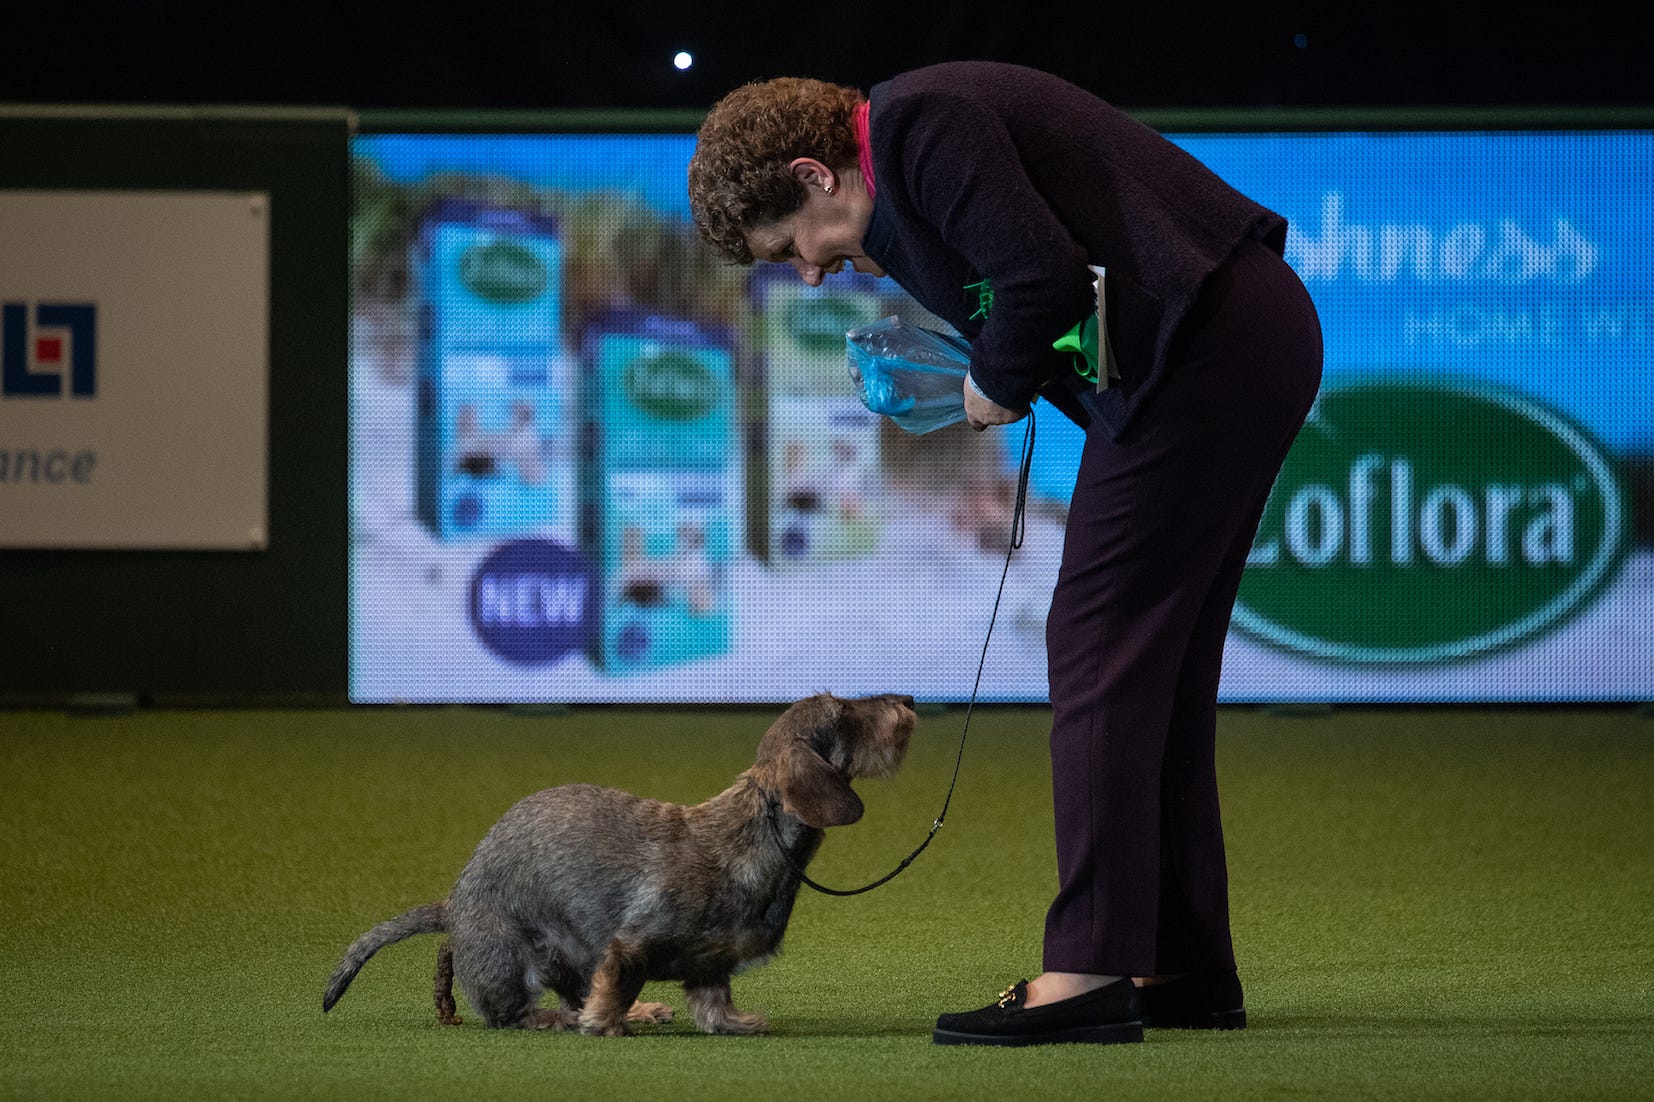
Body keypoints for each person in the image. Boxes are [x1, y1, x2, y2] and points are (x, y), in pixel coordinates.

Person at [688, 60, 1323, 1046]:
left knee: (1094, 648)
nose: (808, 273)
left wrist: (993, 380)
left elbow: (1042, 277)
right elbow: (1038, 288)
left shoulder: (913, 127)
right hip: (1222, 348)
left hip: (1208, 350)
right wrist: (981, 366)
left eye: (790, 249)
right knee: (1157, 669)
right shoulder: (897, 185)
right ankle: (1182, 964)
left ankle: (1088, 971)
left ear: (813, 175)